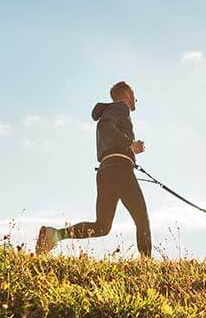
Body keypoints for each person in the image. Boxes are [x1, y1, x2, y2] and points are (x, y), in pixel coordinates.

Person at [35, 81, 152, 257]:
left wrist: (129, 149)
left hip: (106, 171)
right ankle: (146, 265)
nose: (135, 98)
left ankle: (54, 235)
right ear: (127, 94)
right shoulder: (121, 107)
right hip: (119, 170)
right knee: (142, 219)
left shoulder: (112, 111)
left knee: (102, 226)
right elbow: (105, 127)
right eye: (133, 93)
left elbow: (107, 130)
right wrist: (130, 144)